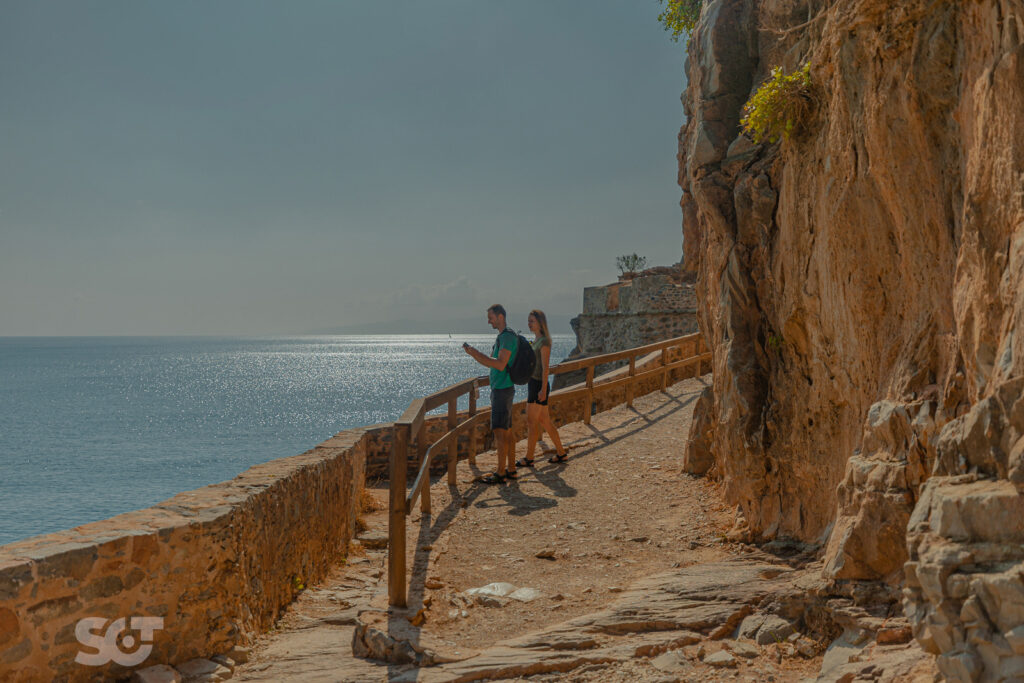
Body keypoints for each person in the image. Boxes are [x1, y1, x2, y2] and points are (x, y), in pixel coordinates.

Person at [462, 304, 518, 484]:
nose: (488, 321)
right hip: (503, 389)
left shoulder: (507, 336)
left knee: (501, 432)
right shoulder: (503, 336)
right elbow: (497, 363)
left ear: (500, 316)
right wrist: (475, 355)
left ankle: (501, 472)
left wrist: (476, 354)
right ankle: (511, 469)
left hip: (502, 390)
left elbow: (500, 364)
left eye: (490, 317)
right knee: (507, 431)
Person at [517, 309, 566, 467]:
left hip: (538, 384)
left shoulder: (544, 342)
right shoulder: (536, 340)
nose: (529, 324)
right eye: (529, 321)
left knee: (532, 422)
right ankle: (561, 453)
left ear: (540, 323)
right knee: (545, 421)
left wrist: (543, 390)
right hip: (534, 383)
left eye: (532, 321)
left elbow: (546, 368)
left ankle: (529, 458)